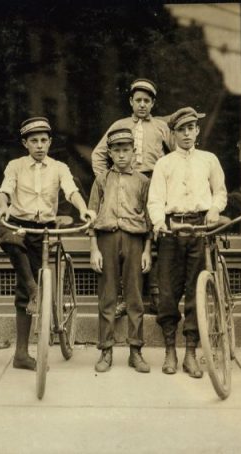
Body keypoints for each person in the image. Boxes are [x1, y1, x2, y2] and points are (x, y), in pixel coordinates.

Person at [0, 117, 95, 371]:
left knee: (28, 289)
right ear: (25, 143)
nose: (39, 145)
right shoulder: (15, 166)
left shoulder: (59, 167)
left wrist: (83, 209)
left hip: (44, 230)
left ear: (49, 142)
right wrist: (4, 208)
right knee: (10, 238)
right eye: (33, 141)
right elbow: (4, 191)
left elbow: (71, 191)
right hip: (18, 223)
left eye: (43, 140)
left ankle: (33, 290)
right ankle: (32, 294)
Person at [147, 107, 228, 378]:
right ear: (173, 133)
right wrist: (160, 224)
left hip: (201, 228)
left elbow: (220, 192)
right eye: (181, 129)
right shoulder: (164, 163)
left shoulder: (209, 160)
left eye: (191, 128)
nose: (186, 134)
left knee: (196, 292)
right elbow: (155, 200)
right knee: (168, 293)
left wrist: (215, 209)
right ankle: (170, 350)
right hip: (172, 231)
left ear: (197, 131)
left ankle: (191, 352)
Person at [92, 78, 171, 317]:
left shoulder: (160, 127)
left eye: (147, 101)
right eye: (138, 100)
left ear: (153, 103)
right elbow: (99, 154)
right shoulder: (120, 125)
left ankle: (155, 295)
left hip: (153, 184)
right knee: (124, 238)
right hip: (122, 183)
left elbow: (173, 157)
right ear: (130, 101)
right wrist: (106, 180)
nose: (142, 105)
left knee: (153, 237)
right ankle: (123, 299)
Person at [88, 128, 152, 373]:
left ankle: (135, 351)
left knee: (134, 297)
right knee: (108, 295)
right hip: (107, 239)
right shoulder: (102, 179)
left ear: (134, 152)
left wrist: (147, 249)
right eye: (117, 150)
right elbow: (92, 215)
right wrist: (94, 248)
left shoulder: (143, 181)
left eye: (126, 150)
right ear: (111, 154)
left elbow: (148, 218)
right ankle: (106, 350)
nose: (122, 155)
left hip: (135, 240)